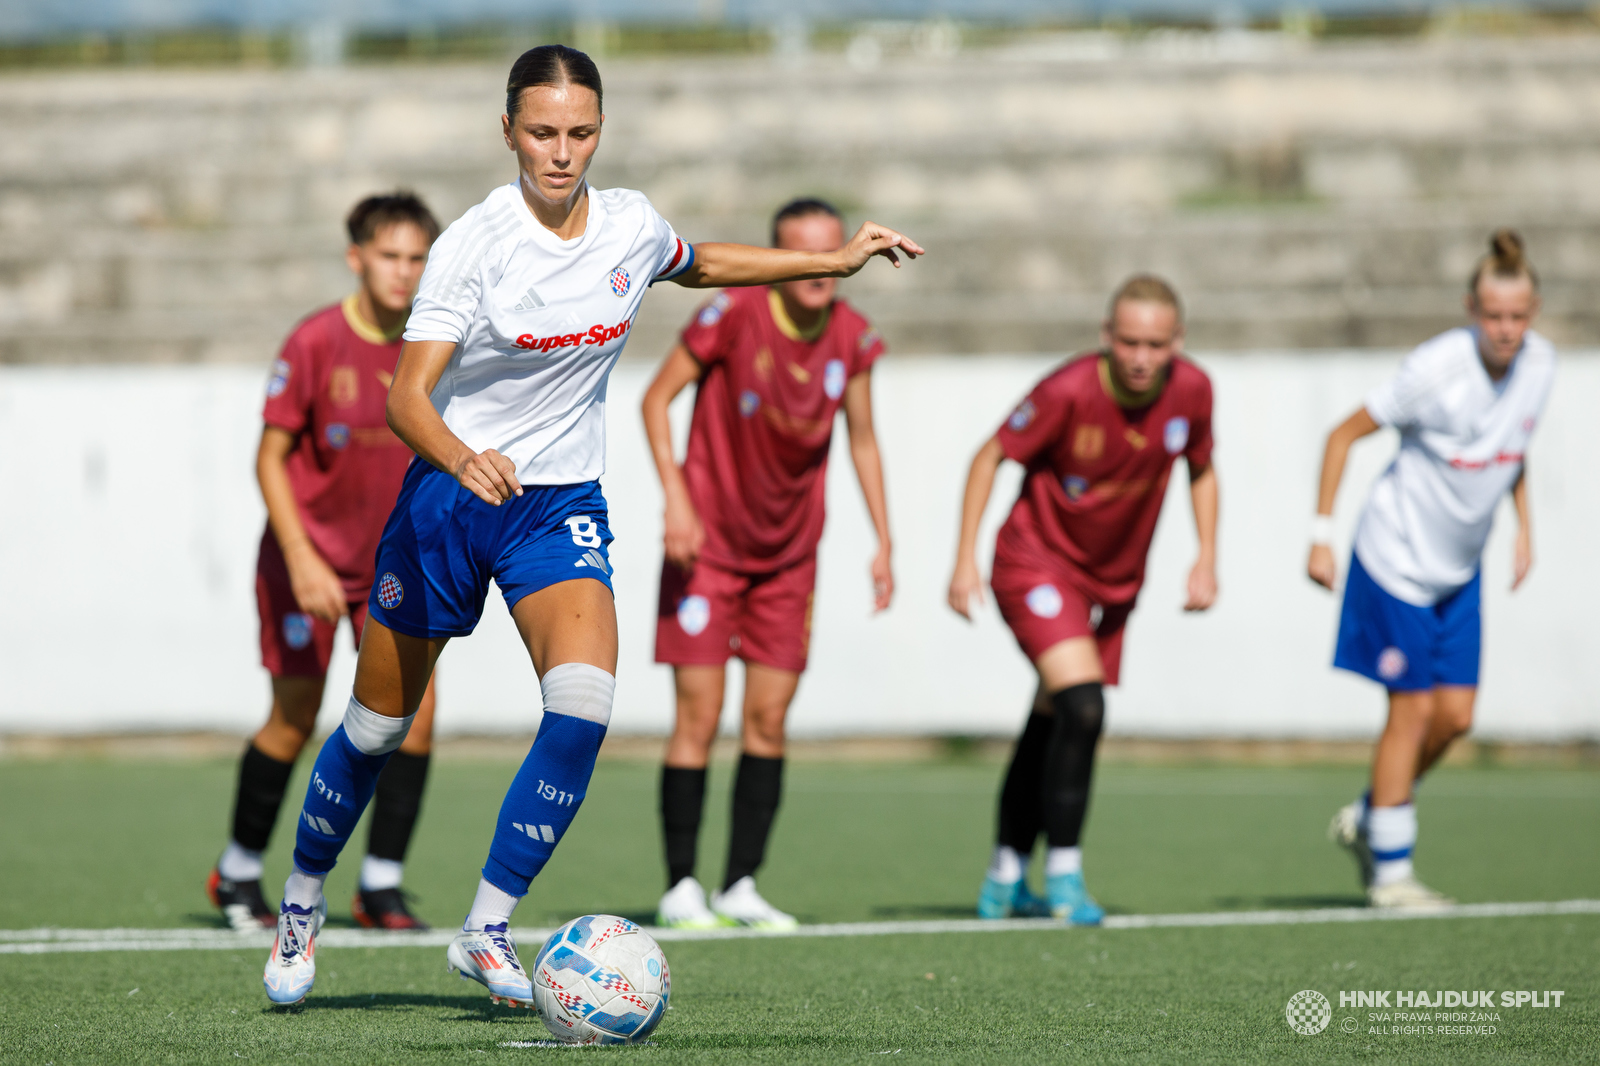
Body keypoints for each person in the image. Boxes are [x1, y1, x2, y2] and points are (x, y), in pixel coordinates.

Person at [260, 44, 923, 1007]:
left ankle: (485, 926)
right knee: (373, 729)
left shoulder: (628, 226)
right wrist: (460, 456)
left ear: (599, 132)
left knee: (583, 709)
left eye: (579, 133)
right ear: (508, 132)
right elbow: (407, 399)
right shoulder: (474, 246)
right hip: (451, 499)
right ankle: (303, 901)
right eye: (541, 132)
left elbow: (700, 264)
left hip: (559, 504)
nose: (560, 153)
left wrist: (834, 258)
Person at [642, 198, 894, 932]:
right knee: (698, 714)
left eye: (831, 252)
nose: (820, 270)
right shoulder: (732, 315)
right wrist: (677, 501)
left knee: (769, 720)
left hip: (789, 559)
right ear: (781, 261)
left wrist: (885, 539)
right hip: (709, 549)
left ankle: (741, 885)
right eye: (804, 254)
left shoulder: (853, 338)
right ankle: (680, 884)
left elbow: (866, 440)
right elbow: (656, 402)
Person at [947, 276, 1217, 925]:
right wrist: (963, 562)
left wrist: (1206, 555)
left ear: (1176, 343)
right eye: (1128, 340)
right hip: (1034, 562)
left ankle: (1004, 876)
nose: (1141, 356)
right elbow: (989, 456)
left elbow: (1202, 467)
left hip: (1111, 582)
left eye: (1156, 343)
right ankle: (1064, 873)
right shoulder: (1066, 390)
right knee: (1085, 705)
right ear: (1106, 336)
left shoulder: (1193, 391)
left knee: (1054, 718)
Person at [209, 192, 441, 934]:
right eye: (390, 256)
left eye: (417, 258)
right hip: (304, 565)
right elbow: (269, 460)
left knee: (415, 718)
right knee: (294, 717)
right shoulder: (314, 341)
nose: (403, 273)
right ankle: (239, 869)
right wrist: (303, 560)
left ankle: (380, 885)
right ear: (357, 258)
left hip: (394, 571)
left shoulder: (437, 343)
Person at [1315, 230, 1553, 910]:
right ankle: (1391, 875)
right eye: (1492, 315)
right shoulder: (1436, 370)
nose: (1505, 330)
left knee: (1454, 719)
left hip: (1460, 570)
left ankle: (1370, 815)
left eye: (1518, 316)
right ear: (1470, 309)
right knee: (1413, 712)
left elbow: (1513, 446)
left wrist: (1525, 528)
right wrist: (1320, 536)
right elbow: (1342, 435)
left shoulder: (1541, 366)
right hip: (1394, 560)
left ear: (1533, 312)